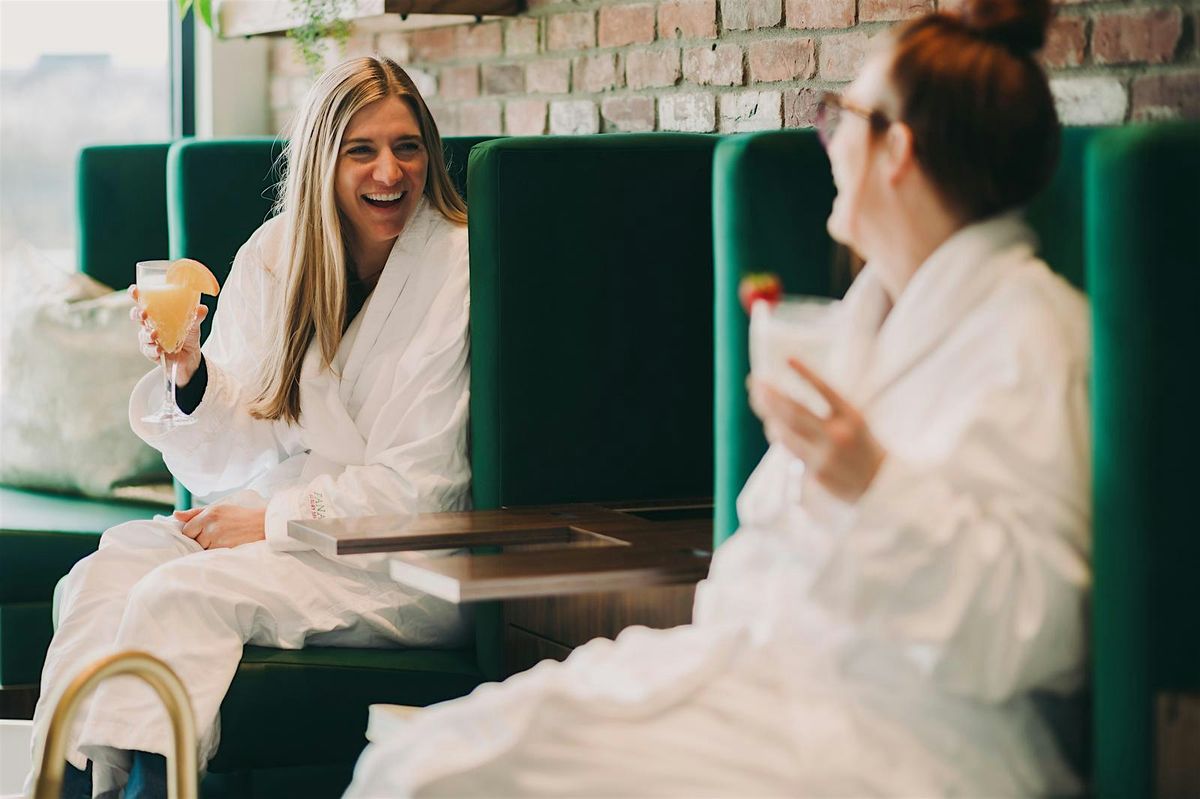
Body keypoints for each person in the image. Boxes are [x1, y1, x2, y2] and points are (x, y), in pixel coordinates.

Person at [345, 0, 1091, 794]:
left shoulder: (1029, 336)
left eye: (839, 117)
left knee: (437, 778)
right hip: (768, 683)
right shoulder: (869, 317)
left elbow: (1041, 631)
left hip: (905, 735)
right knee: (425, 753)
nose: (828, 143)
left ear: (897, 150)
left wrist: (872, 484)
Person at [29, 56, 472, 798]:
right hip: (291, 531)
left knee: (179, 595)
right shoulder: (277, 253)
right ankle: (65, 787)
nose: (389, 172)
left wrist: (271, 520)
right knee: (105, 572)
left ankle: (151, 790)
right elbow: (234, 450)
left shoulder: (457, 266)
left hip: (403, 560)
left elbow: (423, 490)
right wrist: (187, 370)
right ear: (320, 159)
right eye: (361, 150)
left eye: (408, 147)